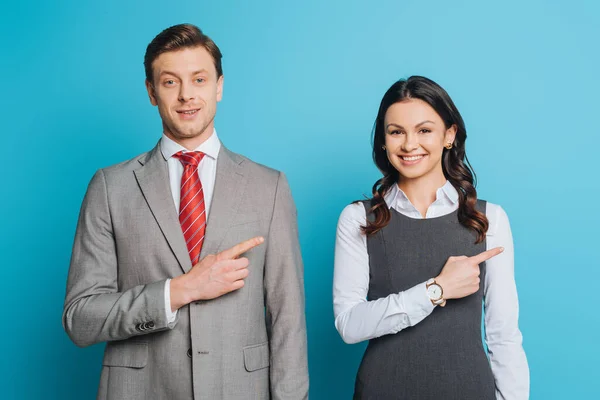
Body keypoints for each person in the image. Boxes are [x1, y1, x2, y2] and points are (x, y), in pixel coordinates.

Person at [63, 24, 308, 400]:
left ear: (219, 86)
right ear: (151, 92)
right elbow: (80, 319)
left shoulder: (269, 186)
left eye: (198, 79)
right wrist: (178, 291)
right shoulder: (111, 187)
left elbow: (288, 320)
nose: (186, 95)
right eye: (170, 82)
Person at [333, 76, 529, 399]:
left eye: (424, 130)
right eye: (396, 132)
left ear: (449, 135)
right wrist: (435, 290)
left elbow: (503, 335)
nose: (410, 145)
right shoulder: (358, 219)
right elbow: (349, 324)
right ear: (384, 140)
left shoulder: (489, 219)